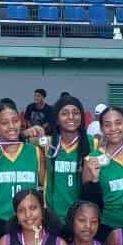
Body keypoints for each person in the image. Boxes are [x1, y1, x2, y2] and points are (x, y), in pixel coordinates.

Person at [0, 102, 44, 240]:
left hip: (28, 222)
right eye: (4, 123)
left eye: (15, 121)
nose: (11, 126)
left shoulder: (35, 152)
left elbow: (45, 188)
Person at [85, 105, 123, 238]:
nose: (113, 129)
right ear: (101, 128)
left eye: (118, 123)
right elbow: (88, 202)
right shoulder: (92, 158)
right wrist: (94, 179)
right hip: (108, 228)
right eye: (107, 125)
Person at [44, 95, 88, 224]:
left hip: (83, 218)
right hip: (54, 217)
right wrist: (26, 133)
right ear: (56, 119)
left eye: (76, 113)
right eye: (64, 113)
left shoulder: (93, 143)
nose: (71, 117)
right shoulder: (47, 144)